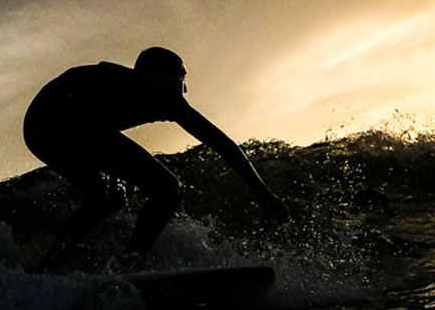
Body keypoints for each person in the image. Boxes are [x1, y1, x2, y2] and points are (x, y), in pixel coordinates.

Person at [23, 46, 289, 273]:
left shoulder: (130, 84)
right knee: (167, 189)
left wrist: (108, 157)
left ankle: (47, 269)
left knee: (108, 198)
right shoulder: (158, 91)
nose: (184, 87)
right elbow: (221, 143)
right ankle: (130, 262)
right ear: (166, 76)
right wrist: (263, 193)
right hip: (61, 121)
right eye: (180, 77)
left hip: (37, 131)